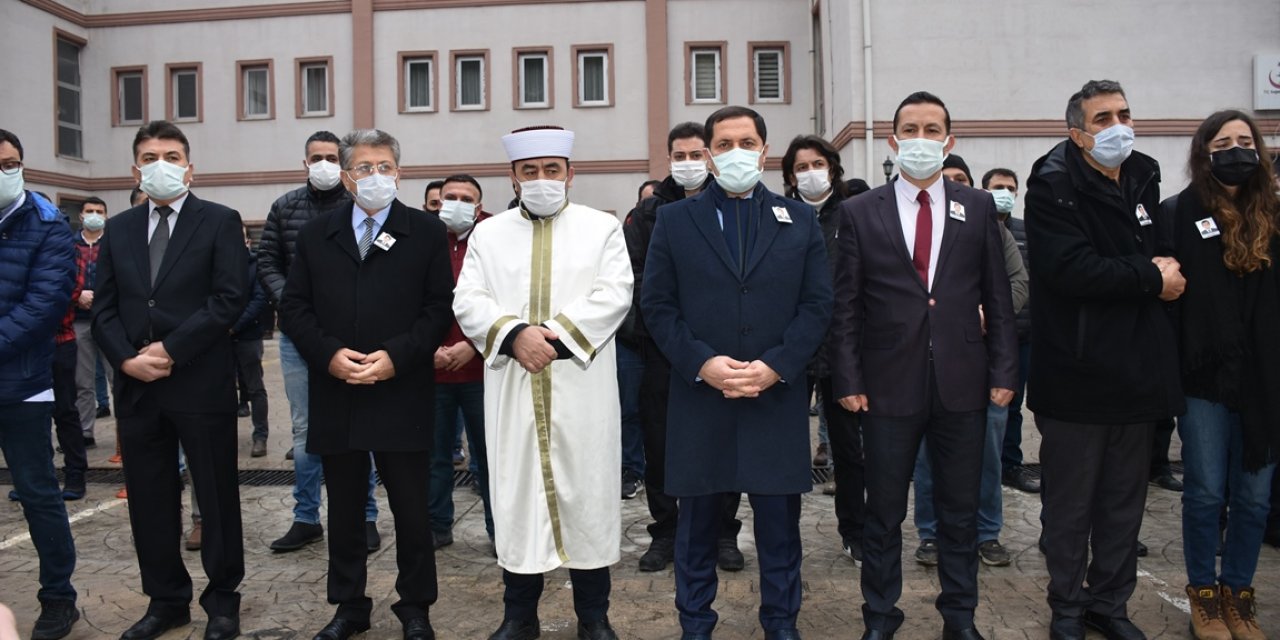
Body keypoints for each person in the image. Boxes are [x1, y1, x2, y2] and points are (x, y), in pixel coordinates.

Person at [830, 93, 1017, 640]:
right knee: (884, 515)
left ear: (948, 141)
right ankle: (880, 619)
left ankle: (959, 620)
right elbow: (846, 305)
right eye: (909, 129)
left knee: (960, 515)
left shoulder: (978, 206)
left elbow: (998, 297)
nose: (920, 138)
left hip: (963, 383)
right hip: (886, 388)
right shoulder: (860, 211)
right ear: (893, 141)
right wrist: (847, 378)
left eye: (931, 129)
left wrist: (1005, 371)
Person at [643, 106, 833, 640]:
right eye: (723, 144)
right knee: (697, 526)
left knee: (779, 529)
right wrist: (702, 363)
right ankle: (696, 624)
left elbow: (817, 306)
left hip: (774, 399)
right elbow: (657, 305)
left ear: (765, 151)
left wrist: (776, 366)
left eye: (745, 142)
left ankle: (781, 623)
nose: (735, 152)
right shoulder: (676, 221)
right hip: (702, 397)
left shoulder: (800, 221)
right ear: (707, 154)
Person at [453, 125, 632, 640]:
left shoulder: (601, 228)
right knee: (517, 497)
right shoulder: (488, 234)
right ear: (512, 177)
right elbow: (469, 299)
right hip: (513, 390)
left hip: (582, 388)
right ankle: (519, 615)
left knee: (587, 496)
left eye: (551, 170)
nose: (541, 180)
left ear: (570, 175)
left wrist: (548, 338)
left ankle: (593, 616)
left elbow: (614, 293)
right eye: (529, 171)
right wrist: (512, 336)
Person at [1024, 79, 1185, 640]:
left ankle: (1108, 607)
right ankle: (1067, 609)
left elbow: (1158, 251)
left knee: (1123, 508)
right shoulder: (1051, 184)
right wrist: (1150, 278)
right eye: (1102, 119)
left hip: (1137, 373)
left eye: (1123, 113)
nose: (1118, 126)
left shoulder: (1143, 171)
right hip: (1076, 375)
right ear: (1077, 133)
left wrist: (1153, 273)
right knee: (1069, 510)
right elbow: (1069, 269)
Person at [279, 128, 453, 640]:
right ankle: (348, 605)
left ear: (398, 171)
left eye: (384, 166)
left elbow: (438, 308)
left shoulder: (423, 231)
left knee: (411, 509)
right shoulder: (318, 234)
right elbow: (294, 306)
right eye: (363, 168)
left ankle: (416, 605)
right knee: (347, 509)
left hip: (401, 390)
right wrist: (328, 355)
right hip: (339, 389)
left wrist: (397, 357)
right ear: (347, 176)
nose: (375, 176)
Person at [93, 120, 247, 640]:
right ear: (135, 168)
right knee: (150, 497)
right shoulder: (118, 229)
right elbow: (105, 309)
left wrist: (172, 349)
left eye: (173, 155)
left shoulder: (220, 221)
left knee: (216, 495)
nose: (163, 164)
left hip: (199, 381)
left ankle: (223, 601)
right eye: (151, 156)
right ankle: (166, 601)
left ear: (190, 166)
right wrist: (126, 360)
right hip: (138, 386)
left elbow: (229, 298)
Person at [1166, 110, 1279, 640]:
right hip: (1203, 377)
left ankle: (1239, 593)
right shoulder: (1179, 213)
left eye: (1245, 140)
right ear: (1203, 152)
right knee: (1207, 492)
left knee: (1255, 496)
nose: (1236, 148)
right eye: (1223, 141)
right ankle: (1204, 597)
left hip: (1266, 381)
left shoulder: (1275, 215)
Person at [621, 121, 745, 573]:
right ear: (669, 158)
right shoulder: (649, 213)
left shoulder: (732, 203)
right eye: (680, 155)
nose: (689, 163)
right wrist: (662, 330)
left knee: (722, 442)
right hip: (660, 349)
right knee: (661, 444)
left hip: (720, 348)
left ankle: (722, 533)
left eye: (697, 154)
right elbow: (634, 278)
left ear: (710, 157)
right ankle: (667, 531)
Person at [259, 131, 382, 554]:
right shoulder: (285, 207)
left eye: (332, 157)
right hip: (297, 337)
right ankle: (306, 516)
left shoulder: (360, 208)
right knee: (305, 430)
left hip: (350, 338)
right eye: (317, 157)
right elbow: (267, 262)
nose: (325, 164)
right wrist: (292, 305)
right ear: (305, 162)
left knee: (358, 425)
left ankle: (365, 516)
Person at [909, 153, 1028, 570]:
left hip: (981, 360)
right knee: (928, 458)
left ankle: (987, 532)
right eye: (949, 177)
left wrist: (988, 314)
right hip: (926, 363)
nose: (954, 184)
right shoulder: (914, 229)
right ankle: (931, 534)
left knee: (988, 455)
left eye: (962, 179)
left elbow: (1018, 282)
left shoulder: (990, 227)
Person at [0, 128, 81, 640]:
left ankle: (58, 597)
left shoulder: (49, 223)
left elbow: (45, 304)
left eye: (7, 163)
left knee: (36, 492)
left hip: (22, 382)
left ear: (21, 165)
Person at [780, 134, 870, 564]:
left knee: (849, 450)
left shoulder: (854, 215)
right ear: (790, 177)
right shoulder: (782, 218)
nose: (810, 173)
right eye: (801, 167)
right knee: (786, 450)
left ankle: (855, 530)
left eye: (817, 164)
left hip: (842, 351)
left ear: (832, 168)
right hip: (793, 352)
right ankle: (783, 536)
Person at [426, 174, 495, 551]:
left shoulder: (494, 238)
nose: (456, 203)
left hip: (482, 369)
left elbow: (505, 297)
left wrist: (475, 344)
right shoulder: (423, 240)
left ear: (479, 205)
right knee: (435, 457)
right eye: (449, 197)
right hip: (433, 369)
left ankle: (498, 528)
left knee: (488, 458)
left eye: (465, 197)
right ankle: (437, 525)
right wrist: (428, 349)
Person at [984, 169, 1041, 495]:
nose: (1004, 192)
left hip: (1022, 335)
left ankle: (1011, 464)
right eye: (997, 187)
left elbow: (1029, 281)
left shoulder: (1025, 231)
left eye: (1010, 188)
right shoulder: (976, 224)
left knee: (1014, 405)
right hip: (985, 336)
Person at [72, 197, 109, 448]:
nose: (94, 214)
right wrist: (77, 294)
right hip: (79, 320)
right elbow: (59, 274)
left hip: (109, 319)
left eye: (99, 211)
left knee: (118, 379)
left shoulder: (114, 242)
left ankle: (125, 435)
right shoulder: (69, 244)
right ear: (81, 216)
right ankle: (85, 432)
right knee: (82, 381)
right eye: (89, 211)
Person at [233, 225, 270, 458]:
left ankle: (260, 436)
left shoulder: (256, 265)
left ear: (247, 241)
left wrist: (233, 326)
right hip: (220, 339)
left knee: (255, 387)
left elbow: (259, 300)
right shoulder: (217, 266)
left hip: (248, 335)